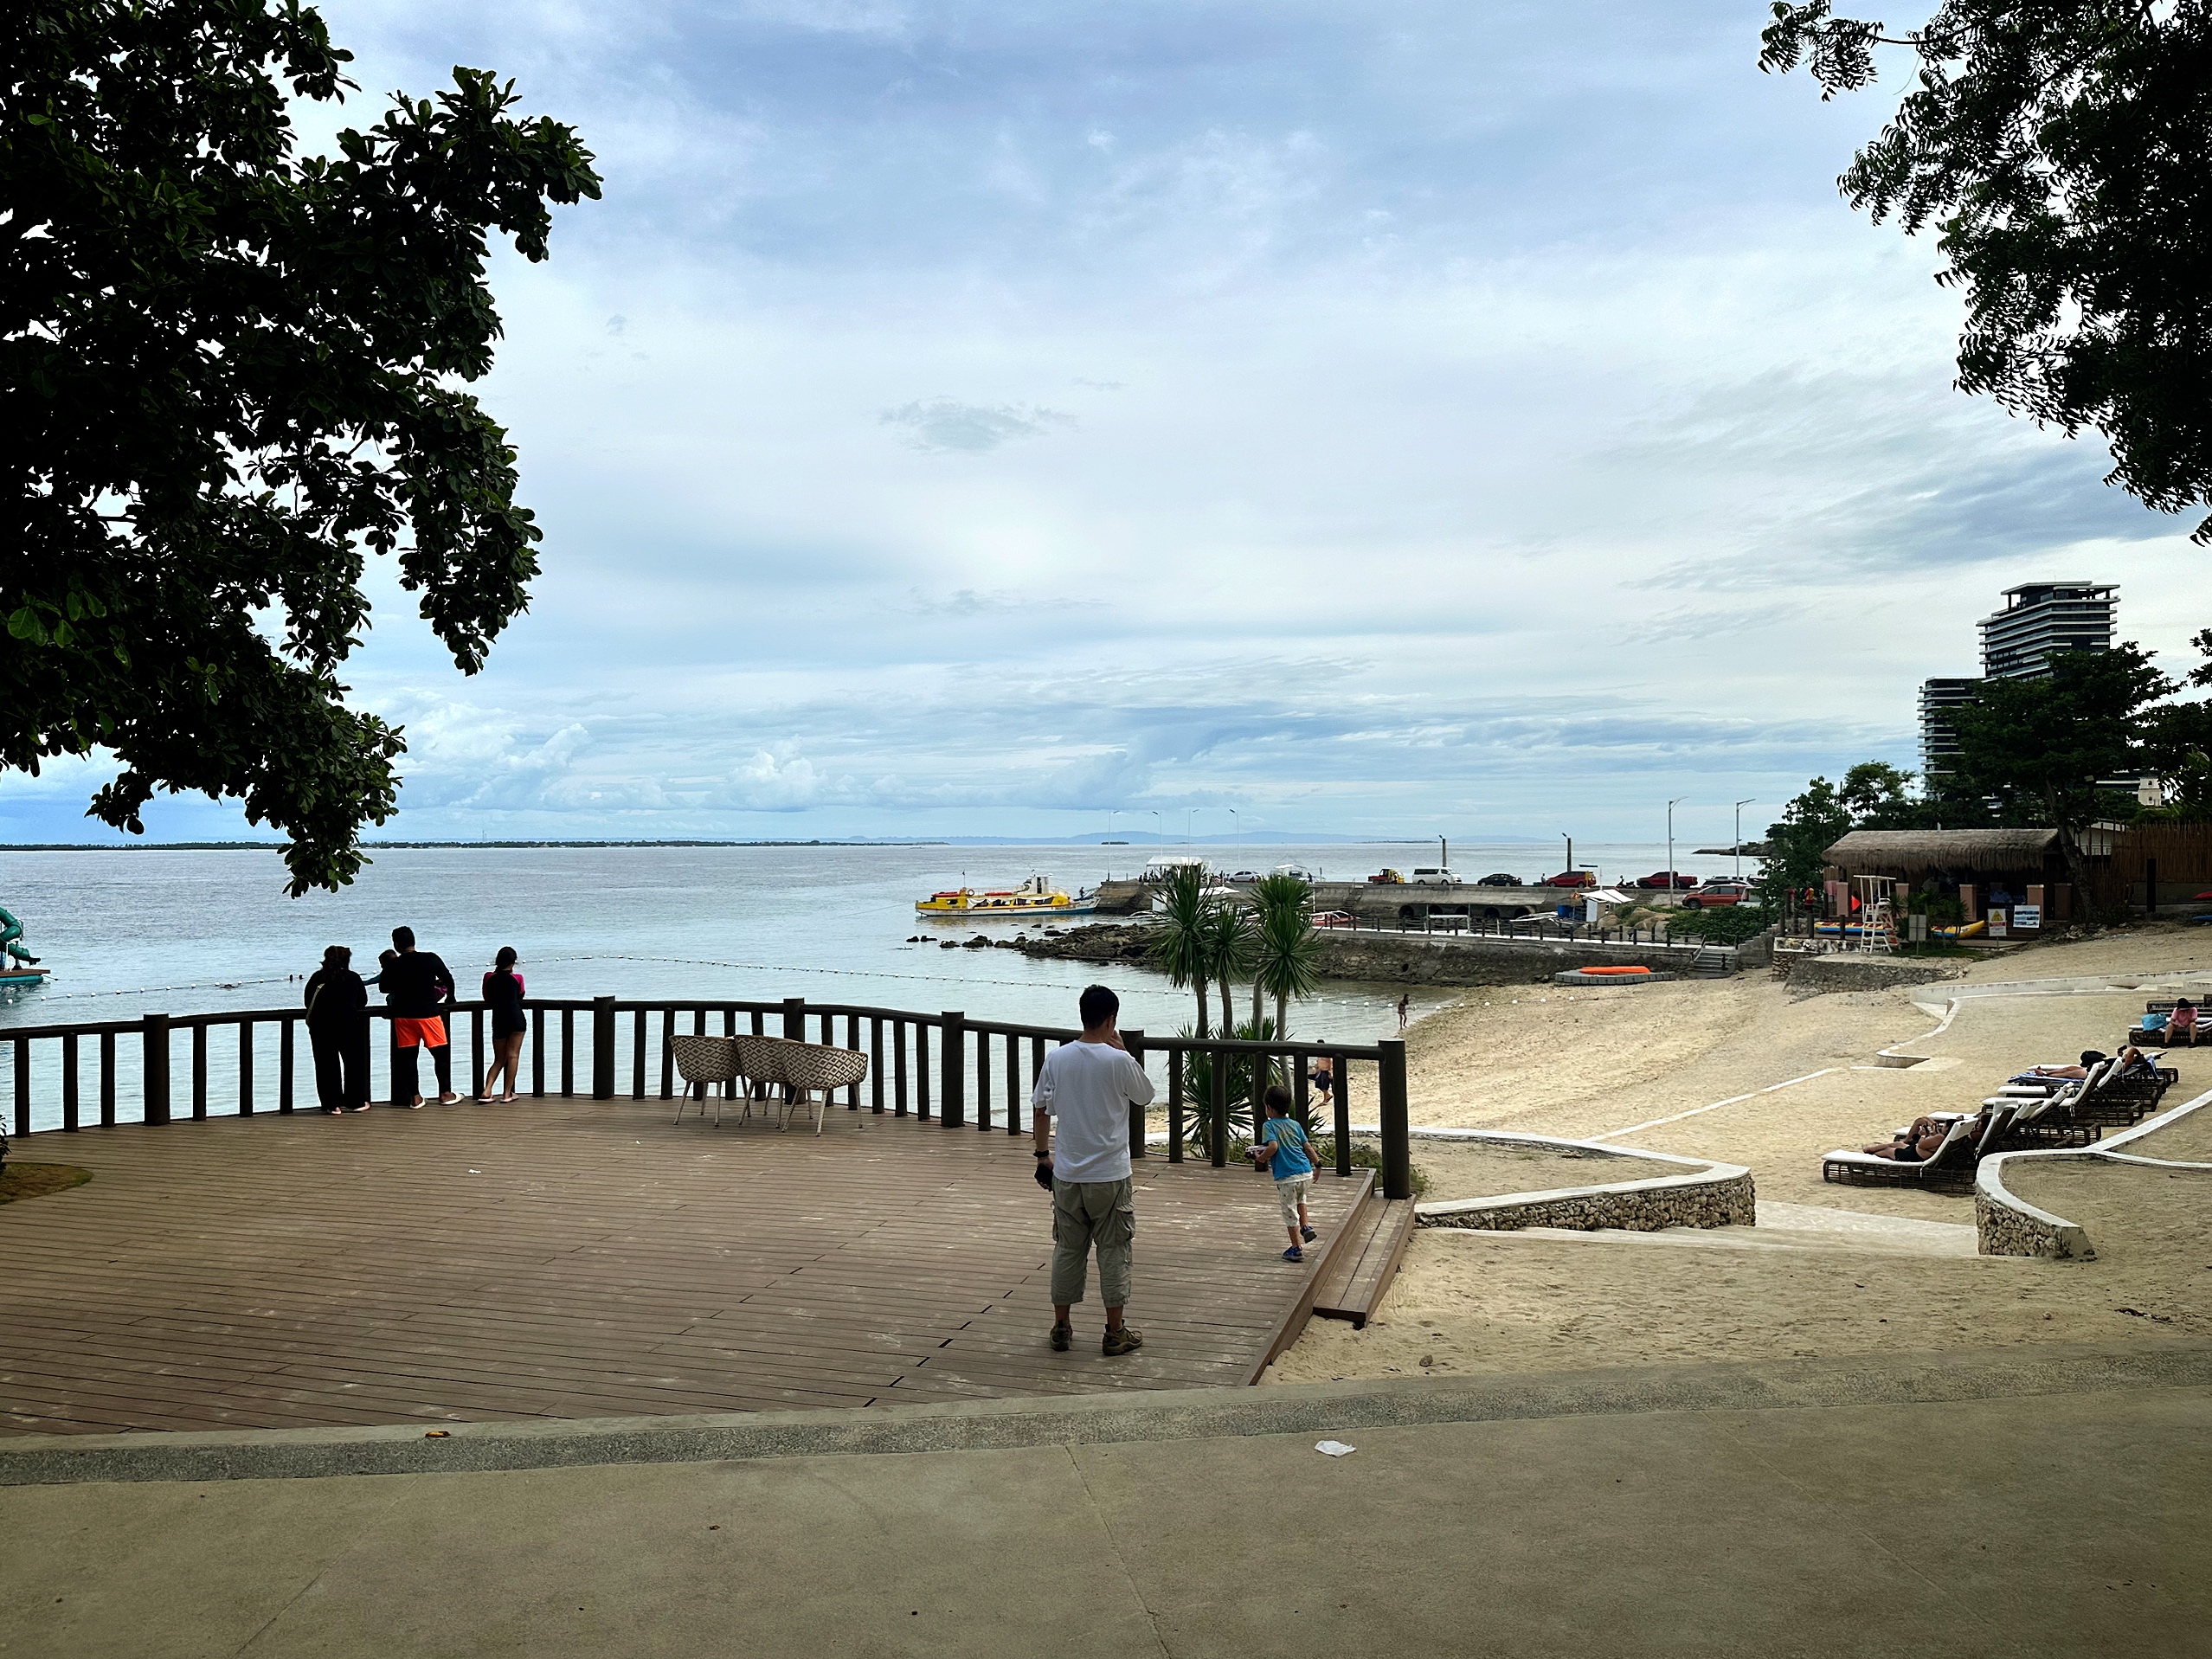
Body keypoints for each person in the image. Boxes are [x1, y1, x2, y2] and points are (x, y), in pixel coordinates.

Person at [1030, 983, 1157, 1357]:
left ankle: (1061, 1326)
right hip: (1111, 1175)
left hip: (1067, 1174)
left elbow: (1041, 1109)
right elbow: (1145, 1096)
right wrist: (1124, 1051)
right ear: (1112, 1019)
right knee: (1114, 1250)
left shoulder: (1057, 1058)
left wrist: (1042, 1156)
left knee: (1067, 1249)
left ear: (1083, 1014)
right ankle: (1115, 1331)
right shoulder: (1119, 1061)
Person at [376, 926, 457, 1108]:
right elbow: (448, 978)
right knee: (441, 1056)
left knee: (409, 1058)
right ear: (414, 941)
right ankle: (445, 1094)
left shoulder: (393, 964)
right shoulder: (430, 958)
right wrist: (450, 997)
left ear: (396, 945)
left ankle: (415, 1098)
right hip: (428, 1014)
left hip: (403, 1016)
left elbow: (384, 988)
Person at [1251, 1085, 1320, 1260]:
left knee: (1289, 1211)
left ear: (1269, 1108)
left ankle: (1296, 1247)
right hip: (1305, 1172)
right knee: (1301, 1199)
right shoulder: (1295, 1125)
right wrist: (1318, 1165)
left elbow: (1273, 1146)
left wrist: (1261, 1158)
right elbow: (1307, 1147)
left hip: (1287, 1176)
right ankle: (1306, 1226)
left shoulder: (1269, 1126)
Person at [303, 945, 371, 1114]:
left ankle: (332, 1104)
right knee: (353, 1062)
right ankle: (355, 1102)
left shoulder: (317, 977)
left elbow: (307, 1001)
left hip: (321, 1027)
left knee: (326, 1064)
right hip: (349, 1025)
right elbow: (362, 1001)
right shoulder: (353, 978)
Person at [479, 947, 527, 1102]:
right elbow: (520, 994)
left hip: (499, 1019)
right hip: (516, 1018)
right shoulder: (518, 978)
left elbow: (487, 997)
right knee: (513, 1056)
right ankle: (507, 1094)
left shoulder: (488, 977)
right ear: (514, 963)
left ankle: (487, 1090)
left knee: (499, 1058)